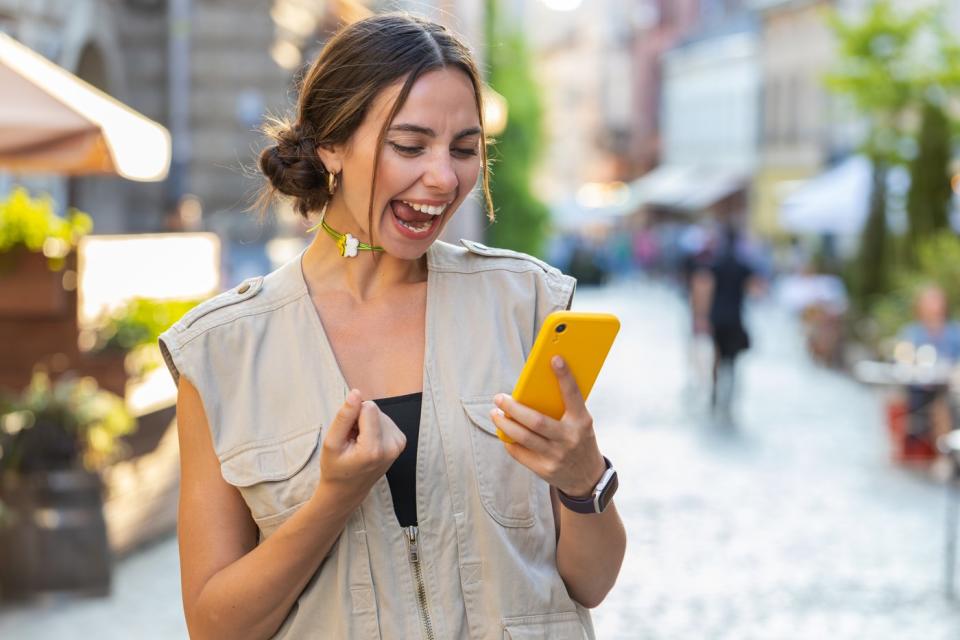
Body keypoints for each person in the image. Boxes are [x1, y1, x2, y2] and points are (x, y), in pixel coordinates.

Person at [157, 14, 625, 640]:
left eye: (464, 149)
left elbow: (591, 583)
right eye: (410, 146)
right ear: (331, 146)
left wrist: (582, 480)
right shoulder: (221, 352)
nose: (444, 178)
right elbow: (215, 628)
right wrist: (331, 501)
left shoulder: (527, 304)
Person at [698, 224, 760, 417]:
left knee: (716, 357)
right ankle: (729, 398)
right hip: (735, 317)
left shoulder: (715, 264)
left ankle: (715, 393)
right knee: (732, 360)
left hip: (717, 317)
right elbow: (755, 290)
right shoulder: (743, 265)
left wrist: (702, 315)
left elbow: (705, 289)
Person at [897, 285, 960, 446]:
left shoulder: (954, 332)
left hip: (949, 387)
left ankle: (945, 450)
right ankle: (943, 452)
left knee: (943, 403)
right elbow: (903, 358)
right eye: (929, 302)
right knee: (939, 405)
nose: (933, 307)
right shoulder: (912, 332)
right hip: (918, 388)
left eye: (936, 302)